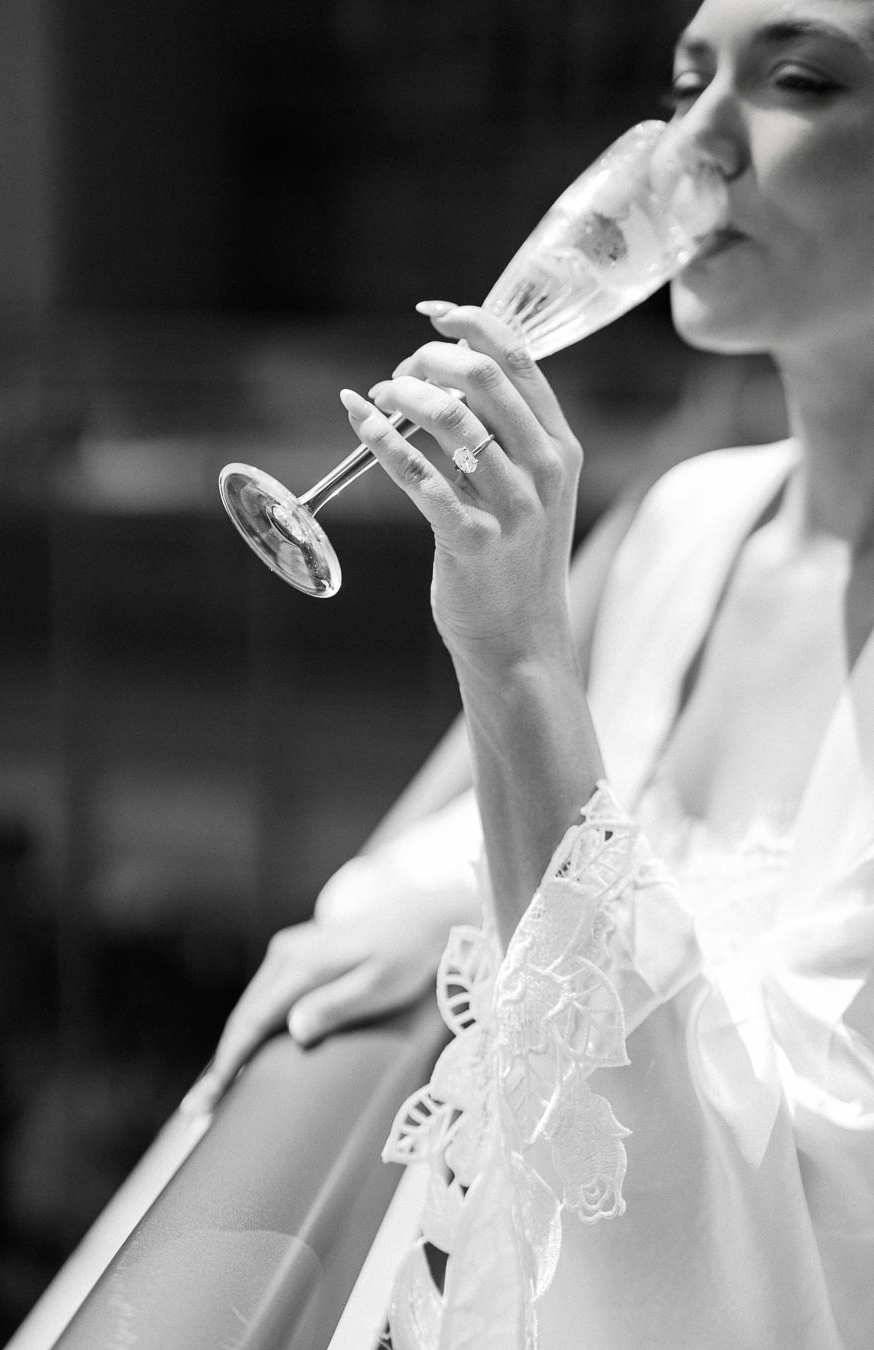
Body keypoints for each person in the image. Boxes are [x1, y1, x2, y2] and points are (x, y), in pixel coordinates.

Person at [187, 0, 874, 1343]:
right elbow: (530, 858)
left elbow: (769, 1207)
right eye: (685, 81)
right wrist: (406, 906)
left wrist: (513, 656)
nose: (694, 143)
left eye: (798, 79)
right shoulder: (689, 520)